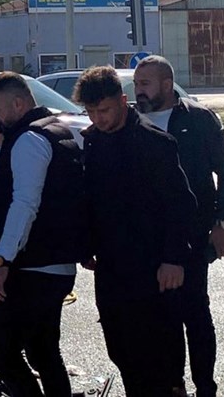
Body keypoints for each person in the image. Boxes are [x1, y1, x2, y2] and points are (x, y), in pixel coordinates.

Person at [74, 66, 198, 397]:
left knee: (160, 358)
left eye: (104, 110)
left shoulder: (154, 144)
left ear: (122, 101)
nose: (98, 118)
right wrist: (85, 246)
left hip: (154, 268)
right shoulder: (93, 143)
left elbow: (181, 206)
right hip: (113, 269)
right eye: (91, 112)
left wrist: (173, 258)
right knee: (122, 351)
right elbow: (91, 200)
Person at [133, 55, 224, 397]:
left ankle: (205, 386)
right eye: (136, 85)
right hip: (147, 240)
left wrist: (222, 222)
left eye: (145, 84)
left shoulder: (199, 120)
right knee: (161, 316)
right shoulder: (133, 122)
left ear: (167, 84)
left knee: (194, 313)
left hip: (193, 235)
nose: (139, 91)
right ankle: (173, 383)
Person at [0, 72, 88, 397]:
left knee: (0, 353)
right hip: (54, 266)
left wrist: (1, 260)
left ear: (19, 103)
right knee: (43, 352)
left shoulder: (29, 139)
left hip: (30, 270)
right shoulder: (57, 130)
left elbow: (24, 204)